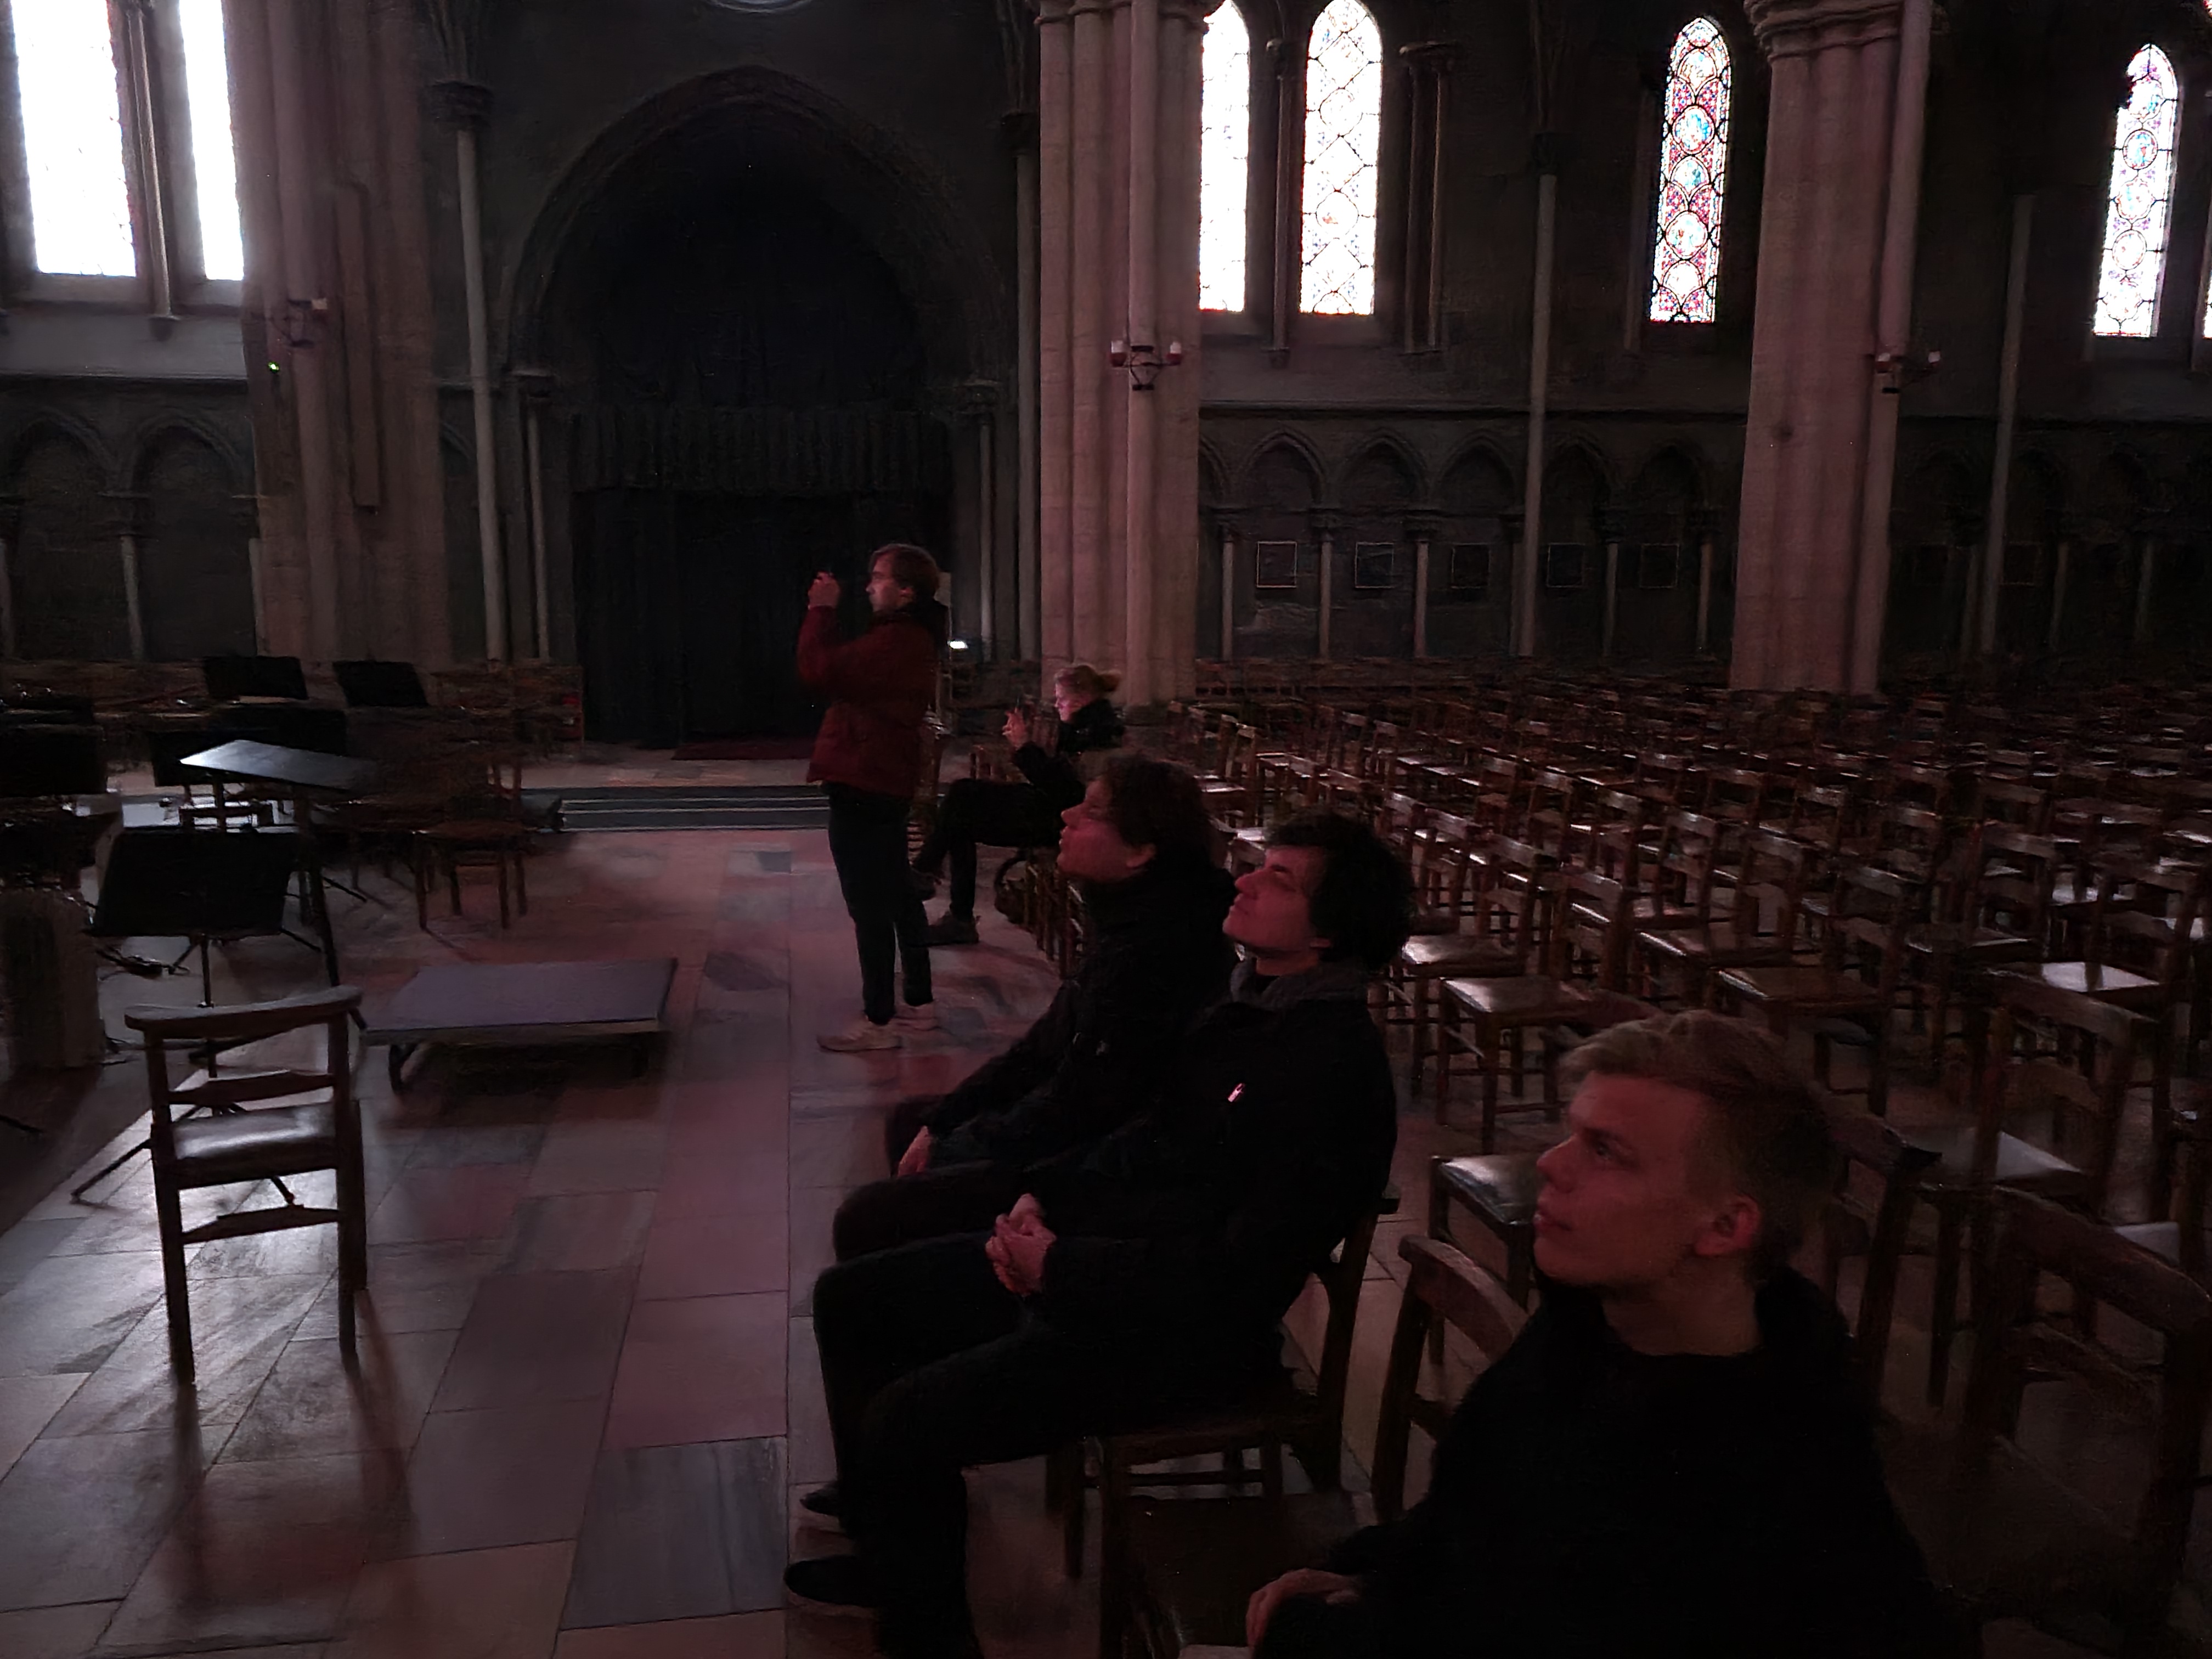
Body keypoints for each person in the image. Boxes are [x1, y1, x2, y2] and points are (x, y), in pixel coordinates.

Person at [784, 812, 1414, 1659]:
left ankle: (929, 1635)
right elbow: (1148, 1139)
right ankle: (891, 1553)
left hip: (1184, 1339)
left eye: (1280, 880)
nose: (1245, 882)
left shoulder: (1331, 1069)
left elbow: (1236, 1275)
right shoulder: (1245, 1008)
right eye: (1258, 866)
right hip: (1104, 1277)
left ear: (1329, 932)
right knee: (853, 1300)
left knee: (908, 1419)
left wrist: (1061, 1266)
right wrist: (1044, 1198)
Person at [1245, 1011, 1953, 1659]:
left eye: (1607, 1151)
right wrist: (1371, 1570)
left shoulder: (1762, 1482)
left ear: (1726, 1226)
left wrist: (1311, 1635)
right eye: (1572, 1133)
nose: (1551, 1164)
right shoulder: (1592, 1325)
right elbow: (1478, 1520)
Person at [834, 754, 1237, 1256]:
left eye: (1091, 812)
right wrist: (943, 1121)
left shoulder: (1162, 952)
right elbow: (1041, 1049)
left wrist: (959, 1146)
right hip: (1079, 1134)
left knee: (865, 1221)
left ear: (1139, 852)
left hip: (1094, 1174)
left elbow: (1081, 1105)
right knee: (914, 1123)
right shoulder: (1134, 916)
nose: (1067, 816)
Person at [800, 544, 947, 1053]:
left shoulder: (899, 640)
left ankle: (879, 1020)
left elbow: (821, 670)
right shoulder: (907, 636)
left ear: (906, 591)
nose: (868, 586)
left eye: (879, 577)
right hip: (879, 776)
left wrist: (821, 610)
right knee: (898, 893)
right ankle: (919, 1003)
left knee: (870, 905)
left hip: (866, 779)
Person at [912, 663, 1125, 946]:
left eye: (1061, 698)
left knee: (960, 816)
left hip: (1061, 821)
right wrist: (1024, 746)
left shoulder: (1097, 733)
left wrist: (1025, 747)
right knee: (962, 794)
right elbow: (1057, 780)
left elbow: (1068, 793)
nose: (1057, 704)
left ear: (1083, 698)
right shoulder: (1084, 724)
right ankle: (931, 881)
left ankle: (942, 895)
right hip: (1049, 807)